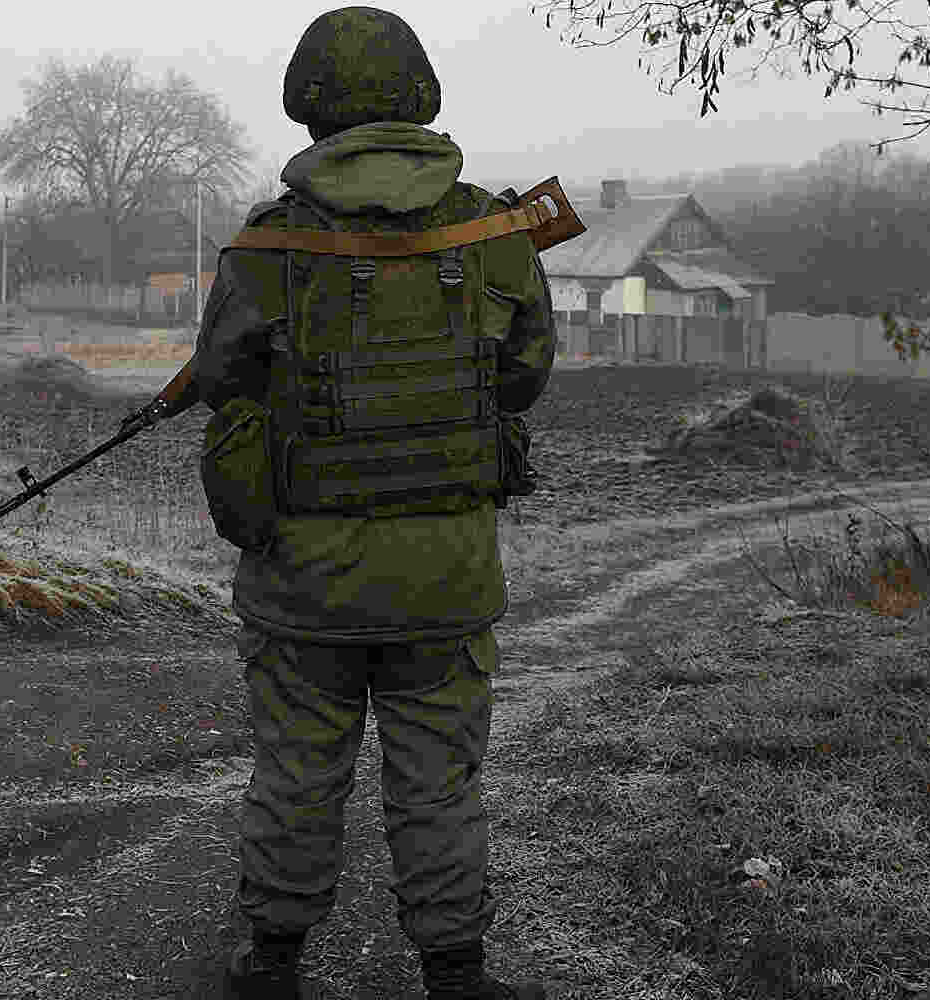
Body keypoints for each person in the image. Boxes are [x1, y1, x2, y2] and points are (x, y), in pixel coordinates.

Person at [190, 7, 557, 1000]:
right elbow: (522, 380)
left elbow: (223, 379)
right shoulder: (494, 232)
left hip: (301, 577)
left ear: (307, 104)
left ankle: (270, 966)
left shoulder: (267, 244)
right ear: (419, 96)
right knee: (439, 778)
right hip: (447, 578)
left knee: (296, 771)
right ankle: (457, 974)